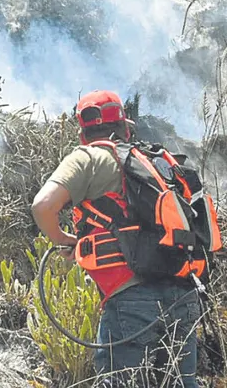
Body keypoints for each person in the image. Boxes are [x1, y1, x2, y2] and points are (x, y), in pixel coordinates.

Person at [31, 90, 202, 387]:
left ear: (83, 132)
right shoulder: (155, 163)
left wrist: (63, 239)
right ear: (125, 125)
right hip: (183, 293)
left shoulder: (88, 157)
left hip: (130, 298)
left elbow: (42, 206)